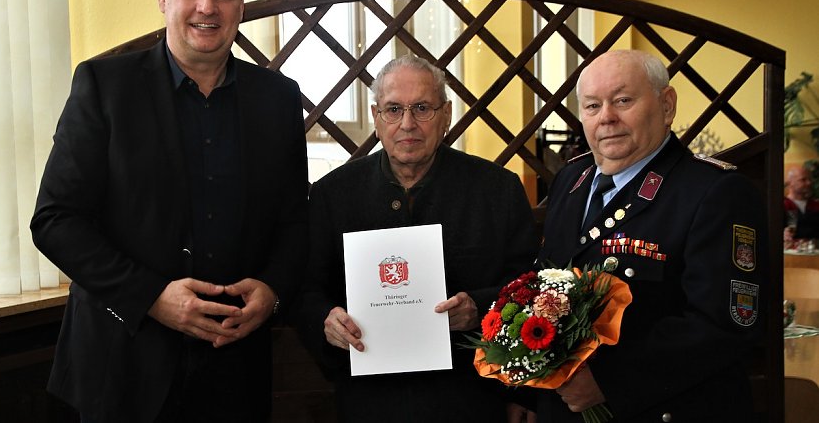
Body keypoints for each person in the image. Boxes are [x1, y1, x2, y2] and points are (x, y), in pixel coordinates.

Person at [30, 0, 307, 423]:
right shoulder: (103, 87)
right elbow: (55, 220)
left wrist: (274, 289)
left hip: (235, 373)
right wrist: (152, 298)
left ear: (241, 5)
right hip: (120, 369)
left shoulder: (279, 99)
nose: (207, 7)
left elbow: (294, 219)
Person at [295, 55, 539, 422]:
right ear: (376, 117)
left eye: (422, 108)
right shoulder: (333, 194)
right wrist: (326, 321)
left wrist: (479, 307)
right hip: (369, 402)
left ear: (446, 114)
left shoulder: (498, 190)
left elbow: (530, 287)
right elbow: (306, 290)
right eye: (394, 109)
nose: (407, 124)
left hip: (471, 399)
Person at [534, 50, 767, 422]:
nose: (606, 117)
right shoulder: (570, 180)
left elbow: (725, 324)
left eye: (623, 100)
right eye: (592, 106)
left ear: (666, 105)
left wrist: (608, 381)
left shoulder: (715, 192)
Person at [784, 165, 819, 248]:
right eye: (803, 180)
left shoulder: (816, 206)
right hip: (790, 253)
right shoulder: (781, 206)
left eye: (810, 179)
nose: (809, 183)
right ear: (790, 183)